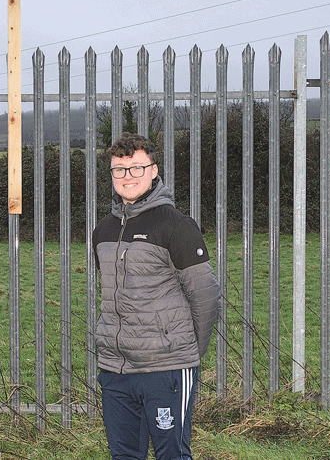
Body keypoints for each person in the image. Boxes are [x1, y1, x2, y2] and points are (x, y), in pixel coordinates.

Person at [92, 132, 221, 460]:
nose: (127, 177)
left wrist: (185, 351)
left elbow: (205, 296)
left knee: (172, 456)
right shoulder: (103, 230)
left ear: (153, 171)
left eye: (136, 168)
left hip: (165, 369)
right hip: (116, 370)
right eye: (119, 170)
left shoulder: (176, 226)